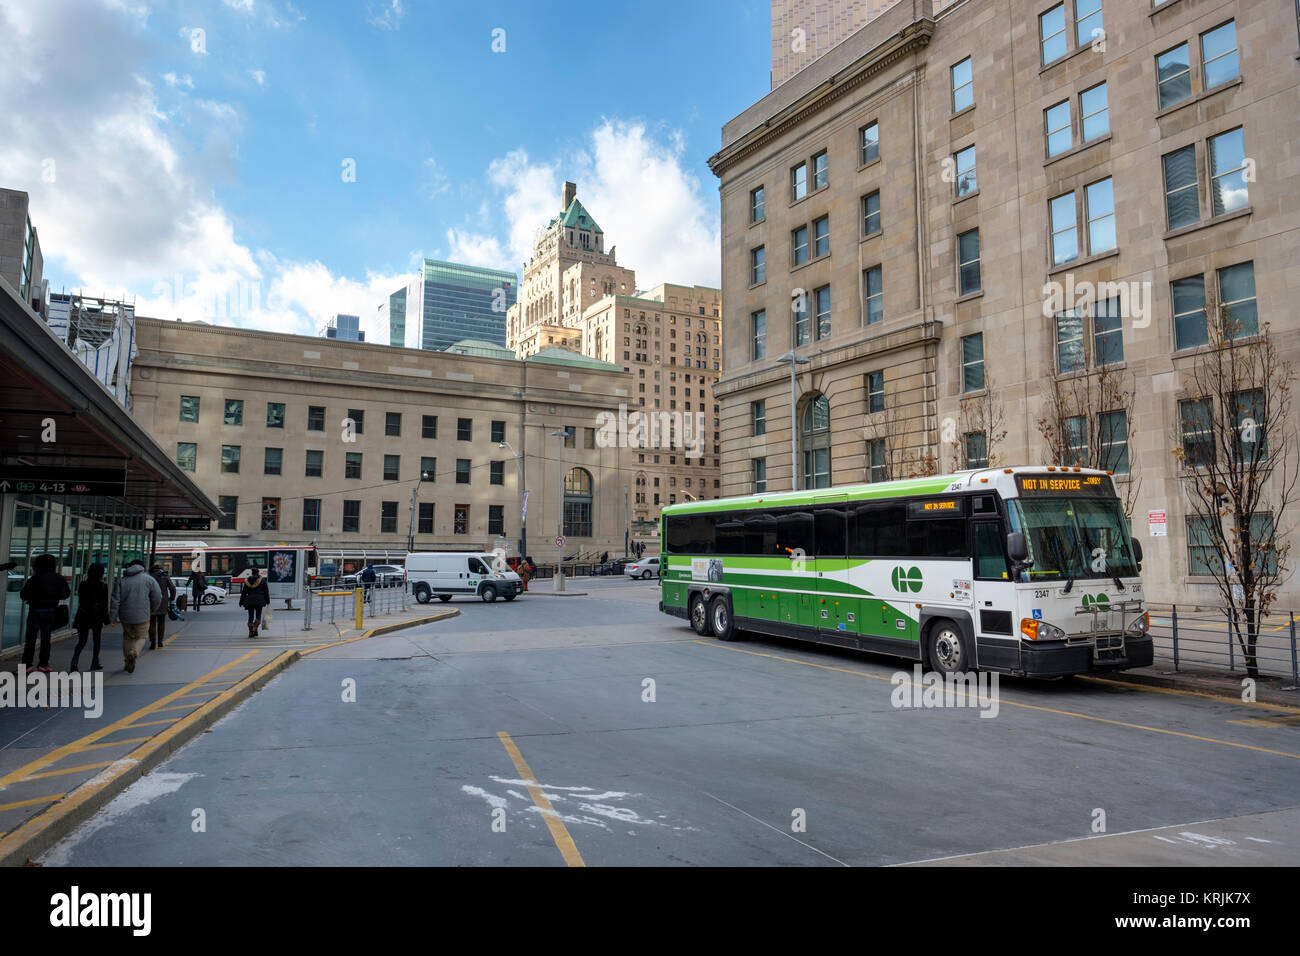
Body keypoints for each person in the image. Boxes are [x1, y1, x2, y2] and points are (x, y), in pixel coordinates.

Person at [20, 553, 71, 674]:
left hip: (35, 611)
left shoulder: (34, 579)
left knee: (30, 640)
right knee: (46, 639)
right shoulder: (59, 578)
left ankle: (26, 666)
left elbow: (23, 595)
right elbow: (66, 594)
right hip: (51, 611)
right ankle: (43, 664)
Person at [110, 559, 162, 673]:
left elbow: (115, 601)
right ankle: (134, 653)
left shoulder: (122, 581)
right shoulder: (149, 579)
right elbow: (158, 596)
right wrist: (153, 608)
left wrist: (112, 618)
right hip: (143, 615)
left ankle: (127, 660)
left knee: (127, 638)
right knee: (142, 637)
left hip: (125, 616)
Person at [70, 562, 110, 672]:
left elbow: (81, 600)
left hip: (83, 615)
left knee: (82, 641)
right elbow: (104, 605)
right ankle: (94, 662)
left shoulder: (83, 584)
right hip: (96, 617)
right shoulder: (103, 586)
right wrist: (106, 619)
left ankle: (75, 660)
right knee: (97, 641)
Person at [148, 563, 177, 649]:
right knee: (161, 622)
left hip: (151, 602)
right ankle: (160, 642)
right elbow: (173, 588)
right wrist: (171, 598)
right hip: (163, 602)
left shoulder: (150, 576)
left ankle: (152, 642)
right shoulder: (165, 576)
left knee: (152, 623)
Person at [240, 567, 270, 638]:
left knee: (250, 616)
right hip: (259, 600)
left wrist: (241, 601)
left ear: (252, 572)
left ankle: (251, 632)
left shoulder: (247, 580)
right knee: (258, 615)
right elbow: (266, 592)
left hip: (250, 600)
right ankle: (255, 628)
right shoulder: (262, 580)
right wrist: (267, 601)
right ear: (258, 572)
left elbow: (244, 592)